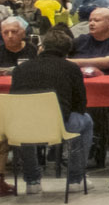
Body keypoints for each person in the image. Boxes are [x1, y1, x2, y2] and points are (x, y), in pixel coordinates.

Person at [7, 28, 93, 195]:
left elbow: (14, 100)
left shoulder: (20, 69)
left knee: (24, 122)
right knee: (87, 121)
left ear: (43, 46)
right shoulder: (71, 68)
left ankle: (32, 181)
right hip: (58, 126)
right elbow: (80, 105)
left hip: (24, 127)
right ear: (67, 50)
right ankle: (76, 179)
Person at [71, 6, 109, 71]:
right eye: (90, 20)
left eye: (96, 20)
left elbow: (108, 62)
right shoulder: (81, 40)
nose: (91, 24)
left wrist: (69, 62)